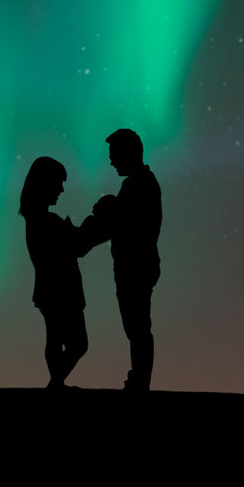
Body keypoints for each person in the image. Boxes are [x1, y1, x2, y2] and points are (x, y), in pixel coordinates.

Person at [87, 128, 162, 392]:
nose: (111, 161)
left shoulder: (138, 184)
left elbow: (123, 223)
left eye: (114, 155)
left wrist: (106, 211)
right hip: (137, 265)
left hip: (136, 266)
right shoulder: (137, 183)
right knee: (136, 325)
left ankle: (140, 381)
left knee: (138, 326)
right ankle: (139, 378)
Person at [18, 156, 96, 389]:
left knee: (55, 338)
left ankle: (56, 383)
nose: (61, 189)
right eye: (58, 183)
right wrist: (91, 228)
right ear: (45, 183)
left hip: (48, 289)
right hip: (60, 289)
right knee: (77, 343)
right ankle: (56, 383)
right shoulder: (46, 221)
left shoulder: (37, 219)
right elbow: (77, 246)